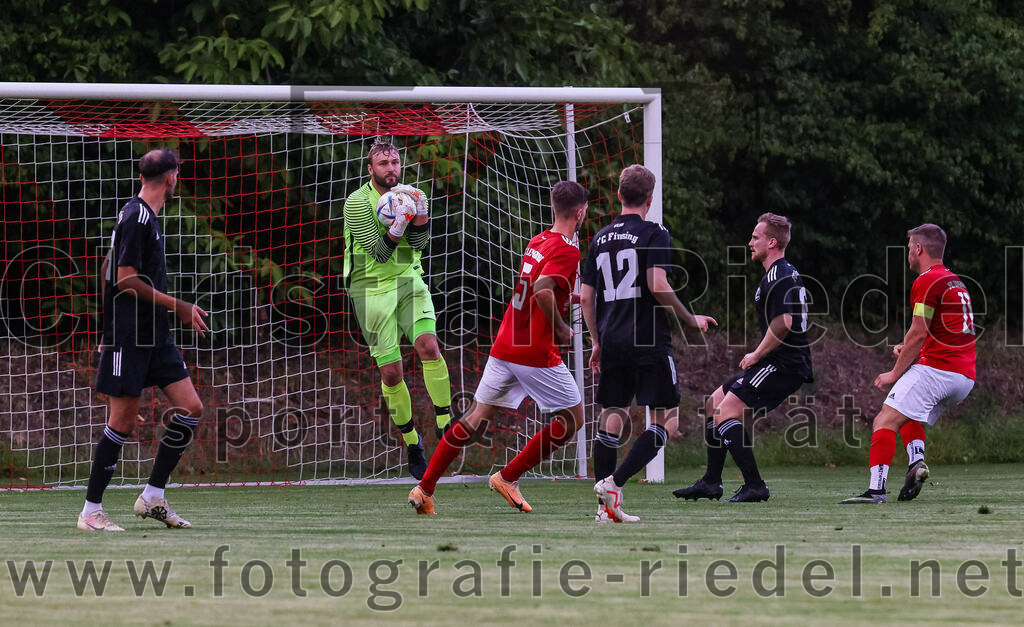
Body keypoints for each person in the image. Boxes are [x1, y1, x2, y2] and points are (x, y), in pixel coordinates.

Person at [407, 181, 588, 515]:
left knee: (475, 417)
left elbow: (540, 288)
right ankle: (508, 477)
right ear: (580, 212)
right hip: (534, 350)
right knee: (573, 419)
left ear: (553, 207)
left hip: (506, 343)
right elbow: (542, 289)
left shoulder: (539, 241)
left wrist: (574, 298)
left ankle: (424, 488)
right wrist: (561, 326)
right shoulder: (568, 249)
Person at [79, 148, 210, 531]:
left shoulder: (142, 216)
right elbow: (122, 277)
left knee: (191, 407)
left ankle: (152, 497)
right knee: (121, 423)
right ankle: (90, 512)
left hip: (154, 335)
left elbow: (107, 270)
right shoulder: (136, 215)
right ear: (172, 178)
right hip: (131, 337)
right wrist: (179, 305)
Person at [580, 165, 716, 523]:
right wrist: (690, 319)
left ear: (619, 195)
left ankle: (604, 510)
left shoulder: (600, 238)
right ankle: (614, 485)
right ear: (650, 199)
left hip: (611, 339)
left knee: (611, 417)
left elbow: (586, 298)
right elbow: (656, 283)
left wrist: (596, 341)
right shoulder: (655, 233)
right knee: (667, 421)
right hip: (647, 338)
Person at [673, 213, 813, 503]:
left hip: (784, 364)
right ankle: (711, 482)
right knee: (713, 403)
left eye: (755, 237)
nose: (750, 242)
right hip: (775, 362)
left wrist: (757, 353)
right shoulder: (778, 273)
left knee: (726, 413)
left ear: (772, 242)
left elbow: (784, 322)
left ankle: (755, 486)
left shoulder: (780, 275)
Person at [840, 224, 976, 504]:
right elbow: (944, 331)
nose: (908, 253)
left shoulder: (926, 280)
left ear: (918, 249)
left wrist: (894, 372)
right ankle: (916, 463)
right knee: (907, 413)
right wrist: (913, 348)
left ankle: (876, 492)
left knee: (884, 420)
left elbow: (917, 332)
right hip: (964, 376)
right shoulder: (953, 280)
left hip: (939, 370)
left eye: (908, 248)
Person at [343, 140, 453, 479]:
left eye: (394, 162)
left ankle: (447, 425)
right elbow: (378, 252)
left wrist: (419, 217)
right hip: (370, 288)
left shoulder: (412, 195)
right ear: (370, 169)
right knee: (391, 372)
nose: (390, 168)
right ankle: (412, 441)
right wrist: (401, 222)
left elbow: (420, 245)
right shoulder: (357, 202)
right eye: (383, 163)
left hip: (408, 279)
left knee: (429, 346)